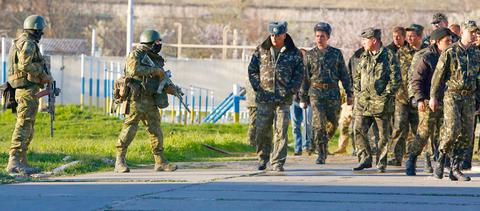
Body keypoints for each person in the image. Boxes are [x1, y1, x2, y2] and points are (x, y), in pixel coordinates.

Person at [114, 29, 177, 173]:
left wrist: (171, 89)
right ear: (150, 42)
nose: (159, 44)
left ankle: (160, 162)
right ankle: (119, 161)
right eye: (157, 42)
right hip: (136, 99)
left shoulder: (155, 58)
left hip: (151, 99)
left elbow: (160, 78)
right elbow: (134, 70)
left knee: (156, 130)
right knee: (130, 129)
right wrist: (154, 71)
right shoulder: (136, 54)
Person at [248, 21, 303, 171]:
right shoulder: (261, 50)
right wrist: (258, 87)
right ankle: (262, 158)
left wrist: (291, 90)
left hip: (283, 99)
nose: (274, 37)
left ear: (284, 35)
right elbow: (252, 70)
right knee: (262, 130)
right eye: (272, 34)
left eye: (277, 35)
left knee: (281, 131)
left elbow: (299, 74)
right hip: (264, 98)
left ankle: (278, 162)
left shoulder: (294, 53)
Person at [430, 21, 480, 181]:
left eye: (475, 32)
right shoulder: (450, 51)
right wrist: (433, 97)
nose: (474, 35)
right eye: (471, 32)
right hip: (452, 95)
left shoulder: (476, 53)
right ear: (463, 32)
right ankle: (441, 158)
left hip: (470, 97)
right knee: (452, 128)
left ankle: (456, 168)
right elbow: (438, 76)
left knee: (466, 133)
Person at [6, 15, 53, 174]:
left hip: (27, 89)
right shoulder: (28, 43)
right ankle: (14, 160)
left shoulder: (23, 41)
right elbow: (25, 65)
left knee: (28, 125)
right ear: (37, 29)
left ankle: (22, 160)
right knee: (24, 123)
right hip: (25, 90)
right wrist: (43, 74)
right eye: (41, 30)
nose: (42, 33)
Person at [300, 22, 352, 164]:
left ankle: (317, 141)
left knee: (333, 123)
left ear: (328, 37)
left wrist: (349, 93)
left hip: (333, 93)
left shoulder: (336, 53)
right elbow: (305, 77)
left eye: (322, 36)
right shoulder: (310, 55)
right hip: (315, 93)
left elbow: (344, 75)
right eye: (317, 36)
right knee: (319, 123)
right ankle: (321, 153)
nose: (319, 39)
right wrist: (303, 97)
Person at [405, 28, 453, 176]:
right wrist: (419, 99)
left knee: (445, 133)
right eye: (447, 41)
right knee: (424, 133)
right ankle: (412, 159)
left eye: (451, 40)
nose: (450, 43)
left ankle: (442, 162)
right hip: (427, 100)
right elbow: (416, 80)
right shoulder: (427, 57)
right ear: (438, 42)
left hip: (446, 101)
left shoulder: (451, 56)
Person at [352, 28, 401, 173]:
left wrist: (385, 95)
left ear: (374, 40)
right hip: (363, 102)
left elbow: (396, 79)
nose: (363, 42)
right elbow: (357, 76)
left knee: (382, 135)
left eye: (365, 40)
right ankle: (365, 158)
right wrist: (358, 92)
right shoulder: (363, 56)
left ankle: (381, 162)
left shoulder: (389, 56)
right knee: (358, 129)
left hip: (381, 103)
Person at [389, 24, 427, 166]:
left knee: (419, 129)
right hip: (402, 96)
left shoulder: (426, 52)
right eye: (408, 36)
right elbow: (393, 71)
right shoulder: (401, 52)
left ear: (419, 37)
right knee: (399, 127)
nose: (409, 39)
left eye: (412, 36)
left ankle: (416, 157)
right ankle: (396, 157)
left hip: (420, 97)